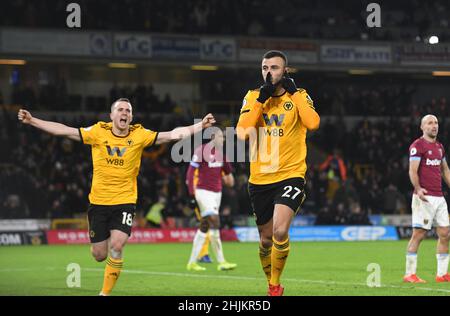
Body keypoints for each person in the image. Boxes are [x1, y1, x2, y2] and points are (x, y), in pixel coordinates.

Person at [17, 98, 216, 295]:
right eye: (120, 110)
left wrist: (200, 125)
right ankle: (100, 254)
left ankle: (104, 293)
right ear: (111, 115)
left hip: (125, 201)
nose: (124, 113)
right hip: (98, 202)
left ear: (131, 117)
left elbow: (171, 135)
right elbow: (65, 130)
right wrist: (33, 120)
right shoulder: (97, 132)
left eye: (128, 111)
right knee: (99, 254)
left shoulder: (140, 134)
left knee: (118, 244)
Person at [236, 50, 320, 296]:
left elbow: (313, 123)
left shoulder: (299, 96)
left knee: (280, 232)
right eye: (264, 68)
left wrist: (294, 94)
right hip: (260, 178)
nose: (268, 72)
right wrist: (261, 100)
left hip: (291, 174)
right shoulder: (253, 97)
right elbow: (241, 133)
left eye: (274, 67)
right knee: (265, 240)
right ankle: (270, 281)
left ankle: (275, 285)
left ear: (285, 71)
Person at [404, 114, 450, 283]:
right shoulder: (418, 146)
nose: (434, 125)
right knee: (419, 234)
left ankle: (442, 274)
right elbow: (412, 170)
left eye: (436, 122)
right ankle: (409, 274)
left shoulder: (439, 147)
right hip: (424, 197)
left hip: (439, 196)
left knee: (445, 233)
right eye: (430, 123)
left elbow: (445, 170)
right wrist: (418, 188)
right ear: (422, 127)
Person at [185, 129, 237, 271]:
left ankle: (192, 262)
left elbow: (229, 175)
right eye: (221, 137)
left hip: (216, 194)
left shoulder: (221, 155)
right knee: (215, 220)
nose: (223, 140)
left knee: (204, 227)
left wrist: (230, 180)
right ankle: (222, 261)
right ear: (213, 137)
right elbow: (190, 173)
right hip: (203, 192)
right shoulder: (201, 150)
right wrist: (191, 194)